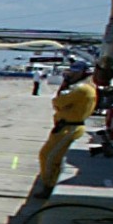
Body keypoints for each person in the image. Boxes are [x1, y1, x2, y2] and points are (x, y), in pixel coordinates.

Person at [32, 65, 97, 196]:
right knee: (52, 156)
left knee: (48, 156)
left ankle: (49, 185)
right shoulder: (86, 88)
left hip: (70, 127)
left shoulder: (81, 89)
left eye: (74, 72)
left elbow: (58, 102)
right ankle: (50, 182)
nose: (70, 75)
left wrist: (64, 85)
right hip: (66, 126)